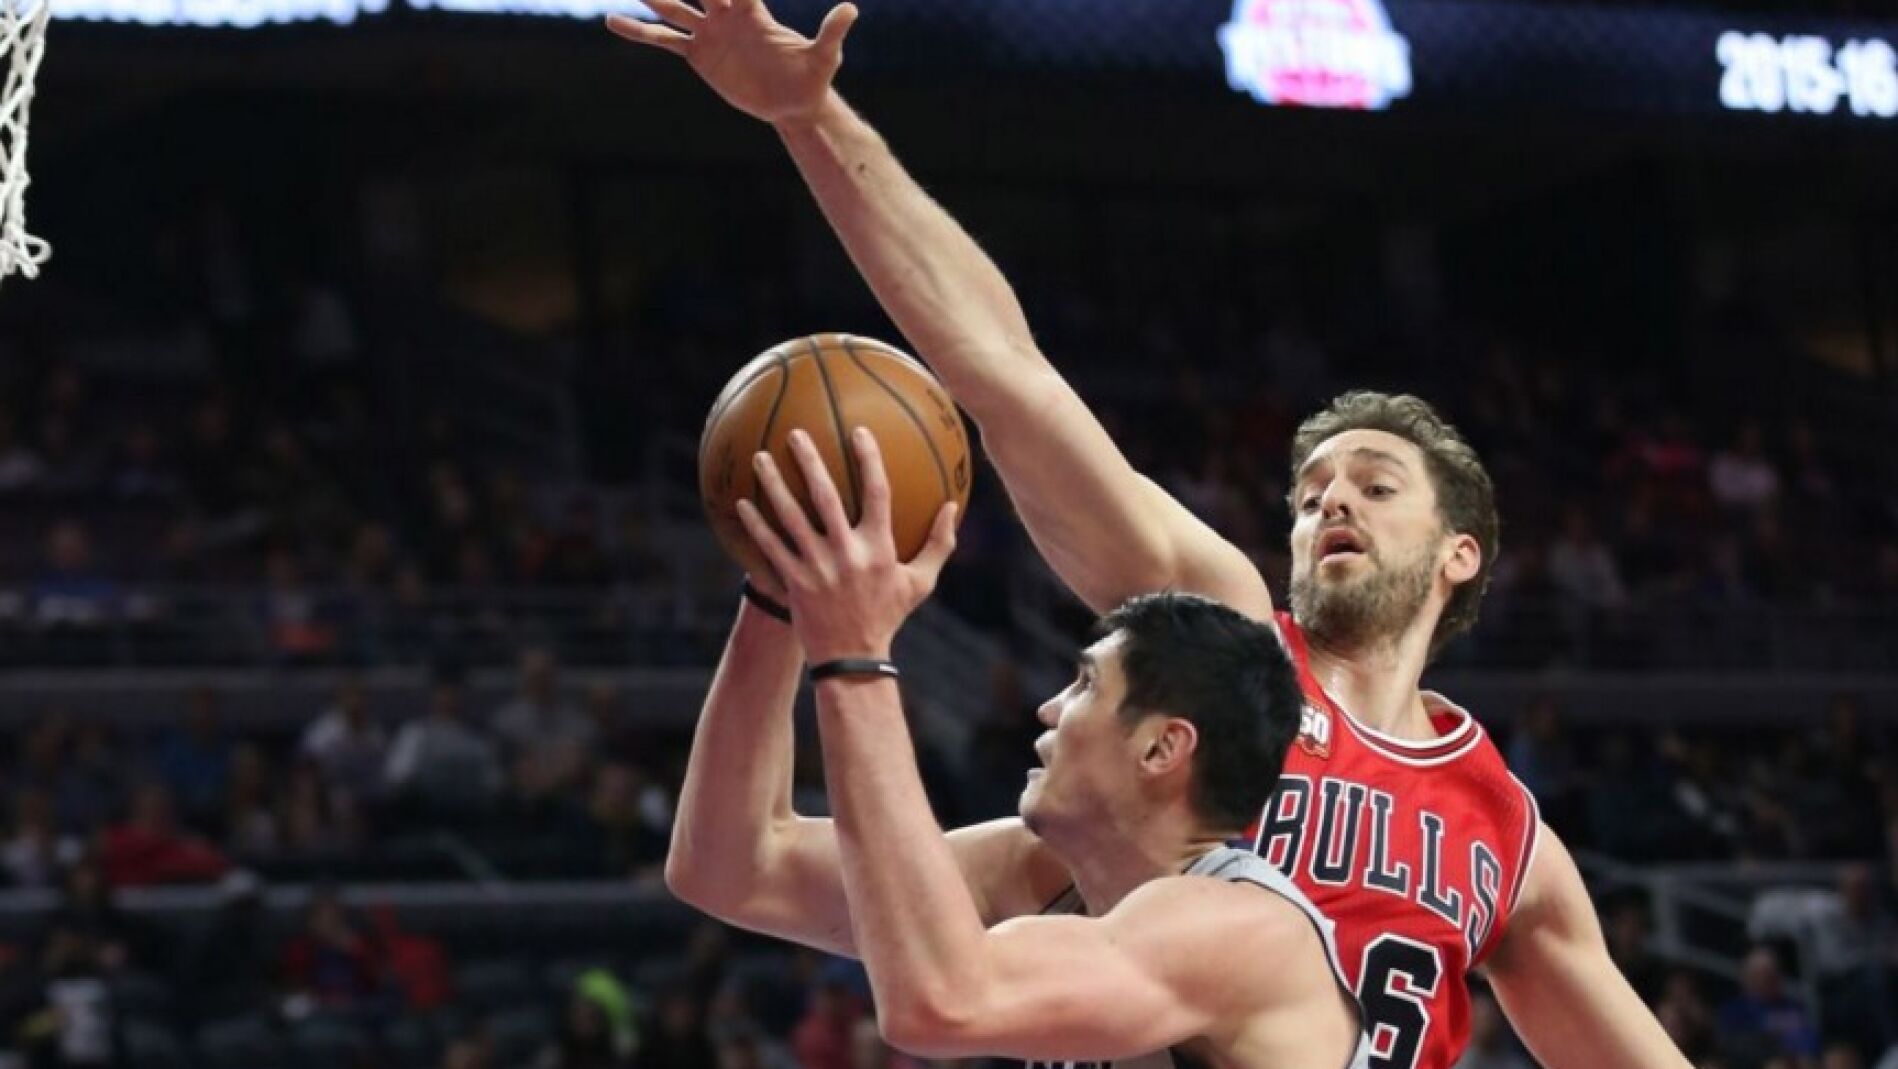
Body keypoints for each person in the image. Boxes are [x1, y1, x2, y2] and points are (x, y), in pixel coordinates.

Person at [610, 5, 1687, 1067]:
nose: (1328, 504)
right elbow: (1006, 378)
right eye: (1308, 490)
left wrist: (849, 654)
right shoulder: (1215, 653)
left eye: (1372, 482)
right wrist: (812, 118)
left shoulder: (1510, 839)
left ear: (1460, 553)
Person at [679, 430, 1367, 1068]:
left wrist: (855, 654)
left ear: (1162, 747)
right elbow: (733, 866)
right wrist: (778, 594)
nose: (1049, 707)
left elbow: (942, 1001)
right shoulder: (1042, 871)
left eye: (1084, 685)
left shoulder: (1240, 930)